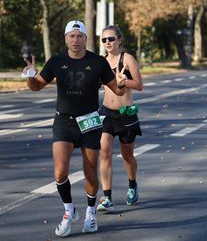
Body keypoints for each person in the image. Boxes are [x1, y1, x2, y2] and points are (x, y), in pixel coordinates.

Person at [21, 20, 126, 237]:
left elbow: (118, 90)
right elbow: (37, 86)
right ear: (66, 38)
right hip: (64, 122)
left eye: (80, 36)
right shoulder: (57, 61)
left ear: (86, 39)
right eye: (72, 36)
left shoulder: (97, 62)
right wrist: (30, 77)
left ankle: (90, 213)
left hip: (89, 122)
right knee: (60, 172)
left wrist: (122, 82)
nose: (76, 40)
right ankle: (69, 211)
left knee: (90, 171)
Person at [96, 25, 143, 212]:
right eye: (104, 40)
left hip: (126, 114)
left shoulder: (128, 59)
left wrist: (124, 81)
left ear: (120, 40)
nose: (107, 42)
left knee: (127, 155)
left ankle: (132, 185)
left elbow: (139, 85)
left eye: (111, 39)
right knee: (104, 152)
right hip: (106, 113)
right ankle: (107, 198)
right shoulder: (102, 62)